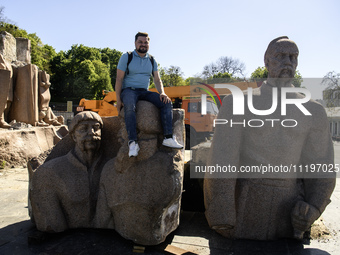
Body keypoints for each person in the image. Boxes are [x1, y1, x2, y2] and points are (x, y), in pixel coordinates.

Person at [204, 36, 336, 240]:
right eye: (281, 56)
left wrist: (313, 208)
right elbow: (222, 160)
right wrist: (222, 216)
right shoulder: (238, 104)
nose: (288, 62)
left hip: (290, 214)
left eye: (293, 57)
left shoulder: (313, 111)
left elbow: (321, 165)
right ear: (266, 61)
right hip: (245, 209)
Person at [30, 111, 107, 232]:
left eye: (96, 128)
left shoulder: (110, 168)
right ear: (73, 136)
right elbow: (51, 223)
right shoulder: (49, 172)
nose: (91, 133)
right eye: (83, 129)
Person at [115, 32, 183, 157]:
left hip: (144, 91)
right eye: (140, 42)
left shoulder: (152, 60)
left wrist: (162, 93)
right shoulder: (127, 57)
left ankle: (168, 137)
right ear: (135, 43)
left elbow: (157, 80)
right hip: (129, 90)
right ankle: (133, 143)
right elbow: (119, 79)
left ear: (149, 44)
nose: (143, 44)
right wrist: (118, 99)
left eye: (145, 42)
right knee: (130, 106)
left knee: (166, 102)